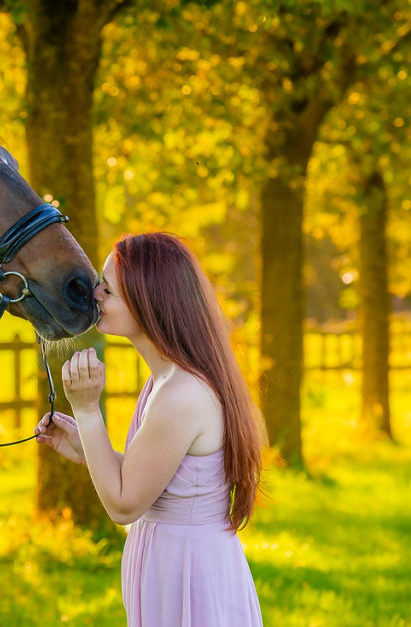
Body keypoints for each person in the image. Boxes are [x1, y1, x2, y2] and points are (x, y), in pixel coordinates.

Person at [35, 232, 264, 626]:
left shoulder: (181, 394)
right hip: (173, 566)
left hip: (190, 576)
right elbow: (164, 482)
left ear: (149, 303)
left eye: (108, 290)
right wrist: (87, 449)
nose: (96, 296)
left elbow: (124, 504)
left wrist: (88, 410)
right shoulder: (165, 381)